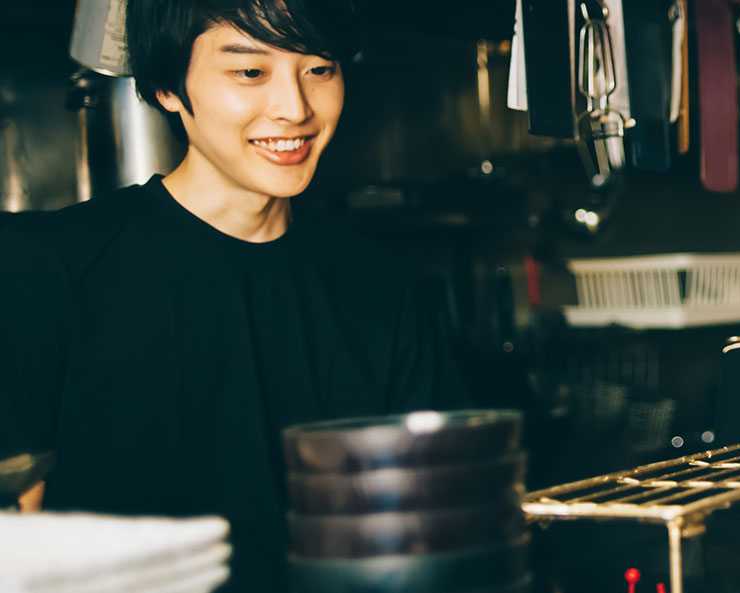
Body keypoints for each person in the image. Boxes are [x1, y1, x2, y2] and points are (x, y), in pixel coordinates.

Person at [0, 0, 469, 590]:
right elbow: (15, 524)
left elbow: (436, 511)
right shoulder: (46, 266)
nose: (294, 108)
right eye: (250, 72)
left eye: (319, 68)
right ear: (168, 87)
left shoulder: (380, 287)